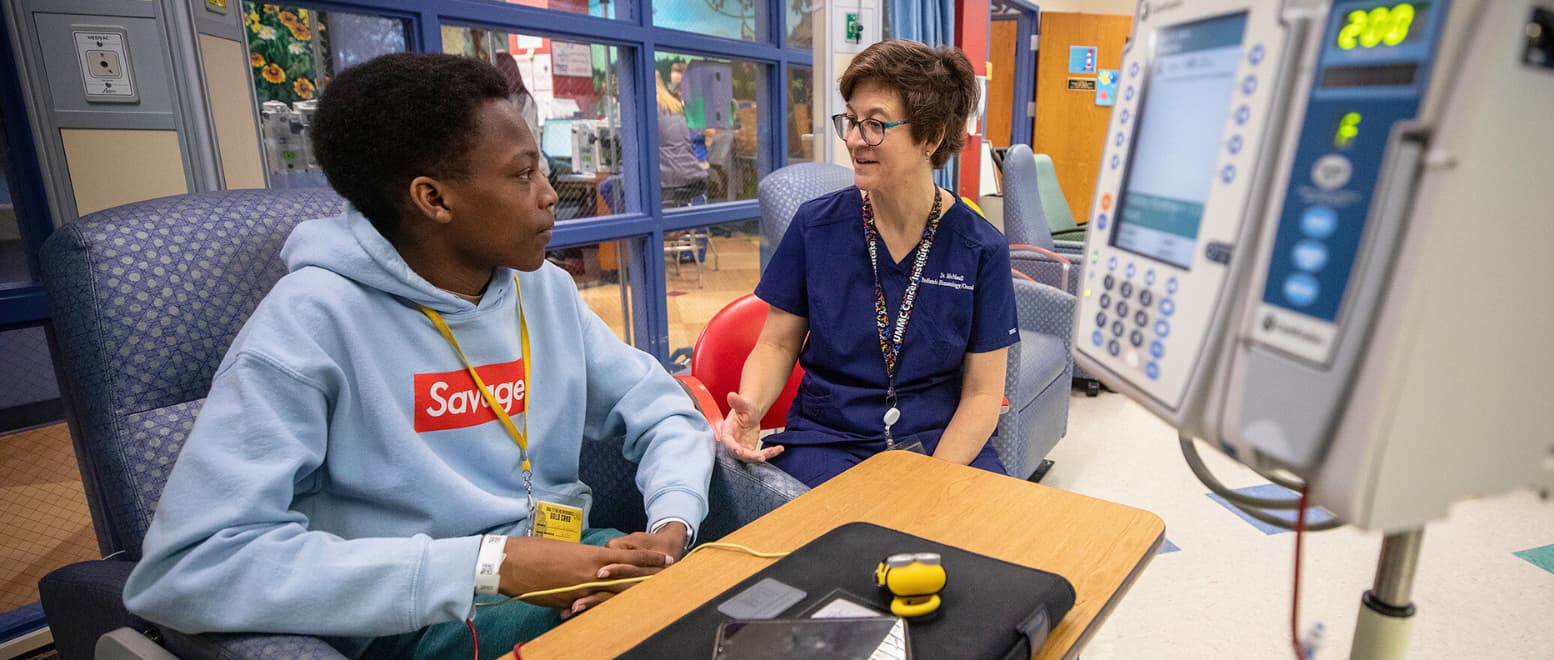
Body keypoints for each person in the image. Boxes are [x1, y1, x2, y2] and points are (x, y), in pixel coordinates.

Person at [121, 53, 714, 658]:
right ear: (433, 198)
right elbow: (189, 567)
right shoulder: (309, 323)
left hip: (573, 567)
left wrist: (672, 524)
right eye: (522, 174)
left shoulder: (544, 290)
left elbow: (663, 411)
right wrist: (492, 565)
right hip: (420, 617)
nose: (547, 195)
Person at [716, 40, 1017, 487]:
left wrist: (930, 480)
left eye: (875, 124)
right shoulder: (816, 227)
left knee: (990, 542)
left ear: (930, 138)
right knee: (827, 544)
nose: (855, 139)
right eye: (852, 122)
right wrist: (753, 406)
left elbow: (982, 394)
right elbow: (777, 345)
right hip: (830, 440)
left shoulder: (980, 249)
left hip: (939, 444)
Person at [657, 67, 708, 207]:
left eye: (679, 86)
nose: (675, 91)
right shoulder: (675, 107)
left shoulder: (687, 107)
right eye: (672, 86)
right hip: (689, 166)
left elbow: (703, 134)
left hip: (696, 163)